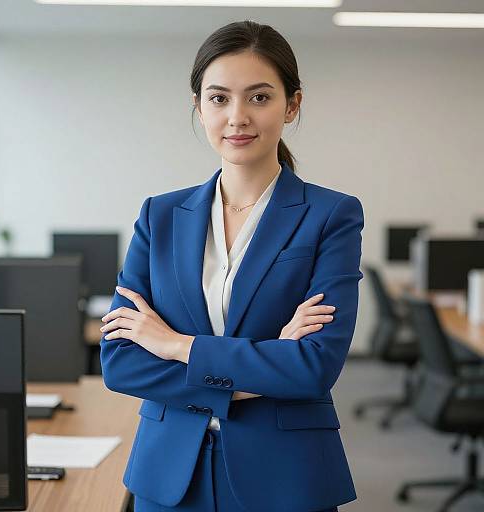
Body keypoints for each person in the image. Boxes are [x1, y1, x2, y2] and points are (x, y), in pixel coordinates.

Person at [100, 20, 364, 512]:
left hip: (286, 476)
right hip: (169, 476)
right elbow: (121, 362)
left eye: (259, 97)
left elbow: (313, 367)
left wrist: (176, 345)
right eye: (218, 98)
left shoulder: (332, 215)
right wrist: (258, 370)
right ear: (199, 107)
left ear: (293, 104)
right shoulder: (159, 216)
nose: (237, 116)